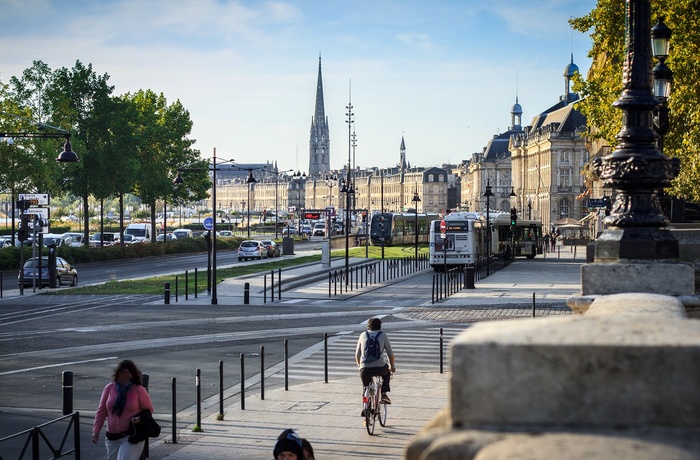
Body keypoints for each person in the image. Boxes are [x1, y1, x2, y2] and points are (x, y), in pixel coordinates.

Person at [92, 360, 155, 460]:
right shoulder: (109, 388)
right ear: (117, 374)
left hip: (131, 435)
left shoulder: (138, 389)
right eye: (122, 373)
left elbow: (149, 410)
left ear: (132, 375)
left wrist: (139, 418)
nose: (124, 376)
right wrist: (96, 431)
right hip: (112, 436)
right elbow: (101, 411)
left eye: (127, 373)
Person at [355, 317, 395, 413]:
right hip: (379, 367)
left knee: (366, 388)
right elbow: (390, 354)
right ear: (380, 326)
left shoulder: (363, 335)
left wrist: (360, 367)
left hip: (364, 368)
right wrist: (392, 367)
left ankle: (366, 411)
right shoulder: (383, 335)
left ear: (368, 326)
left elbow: (357, 355)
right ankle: (384, 394)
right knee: (386, 374)